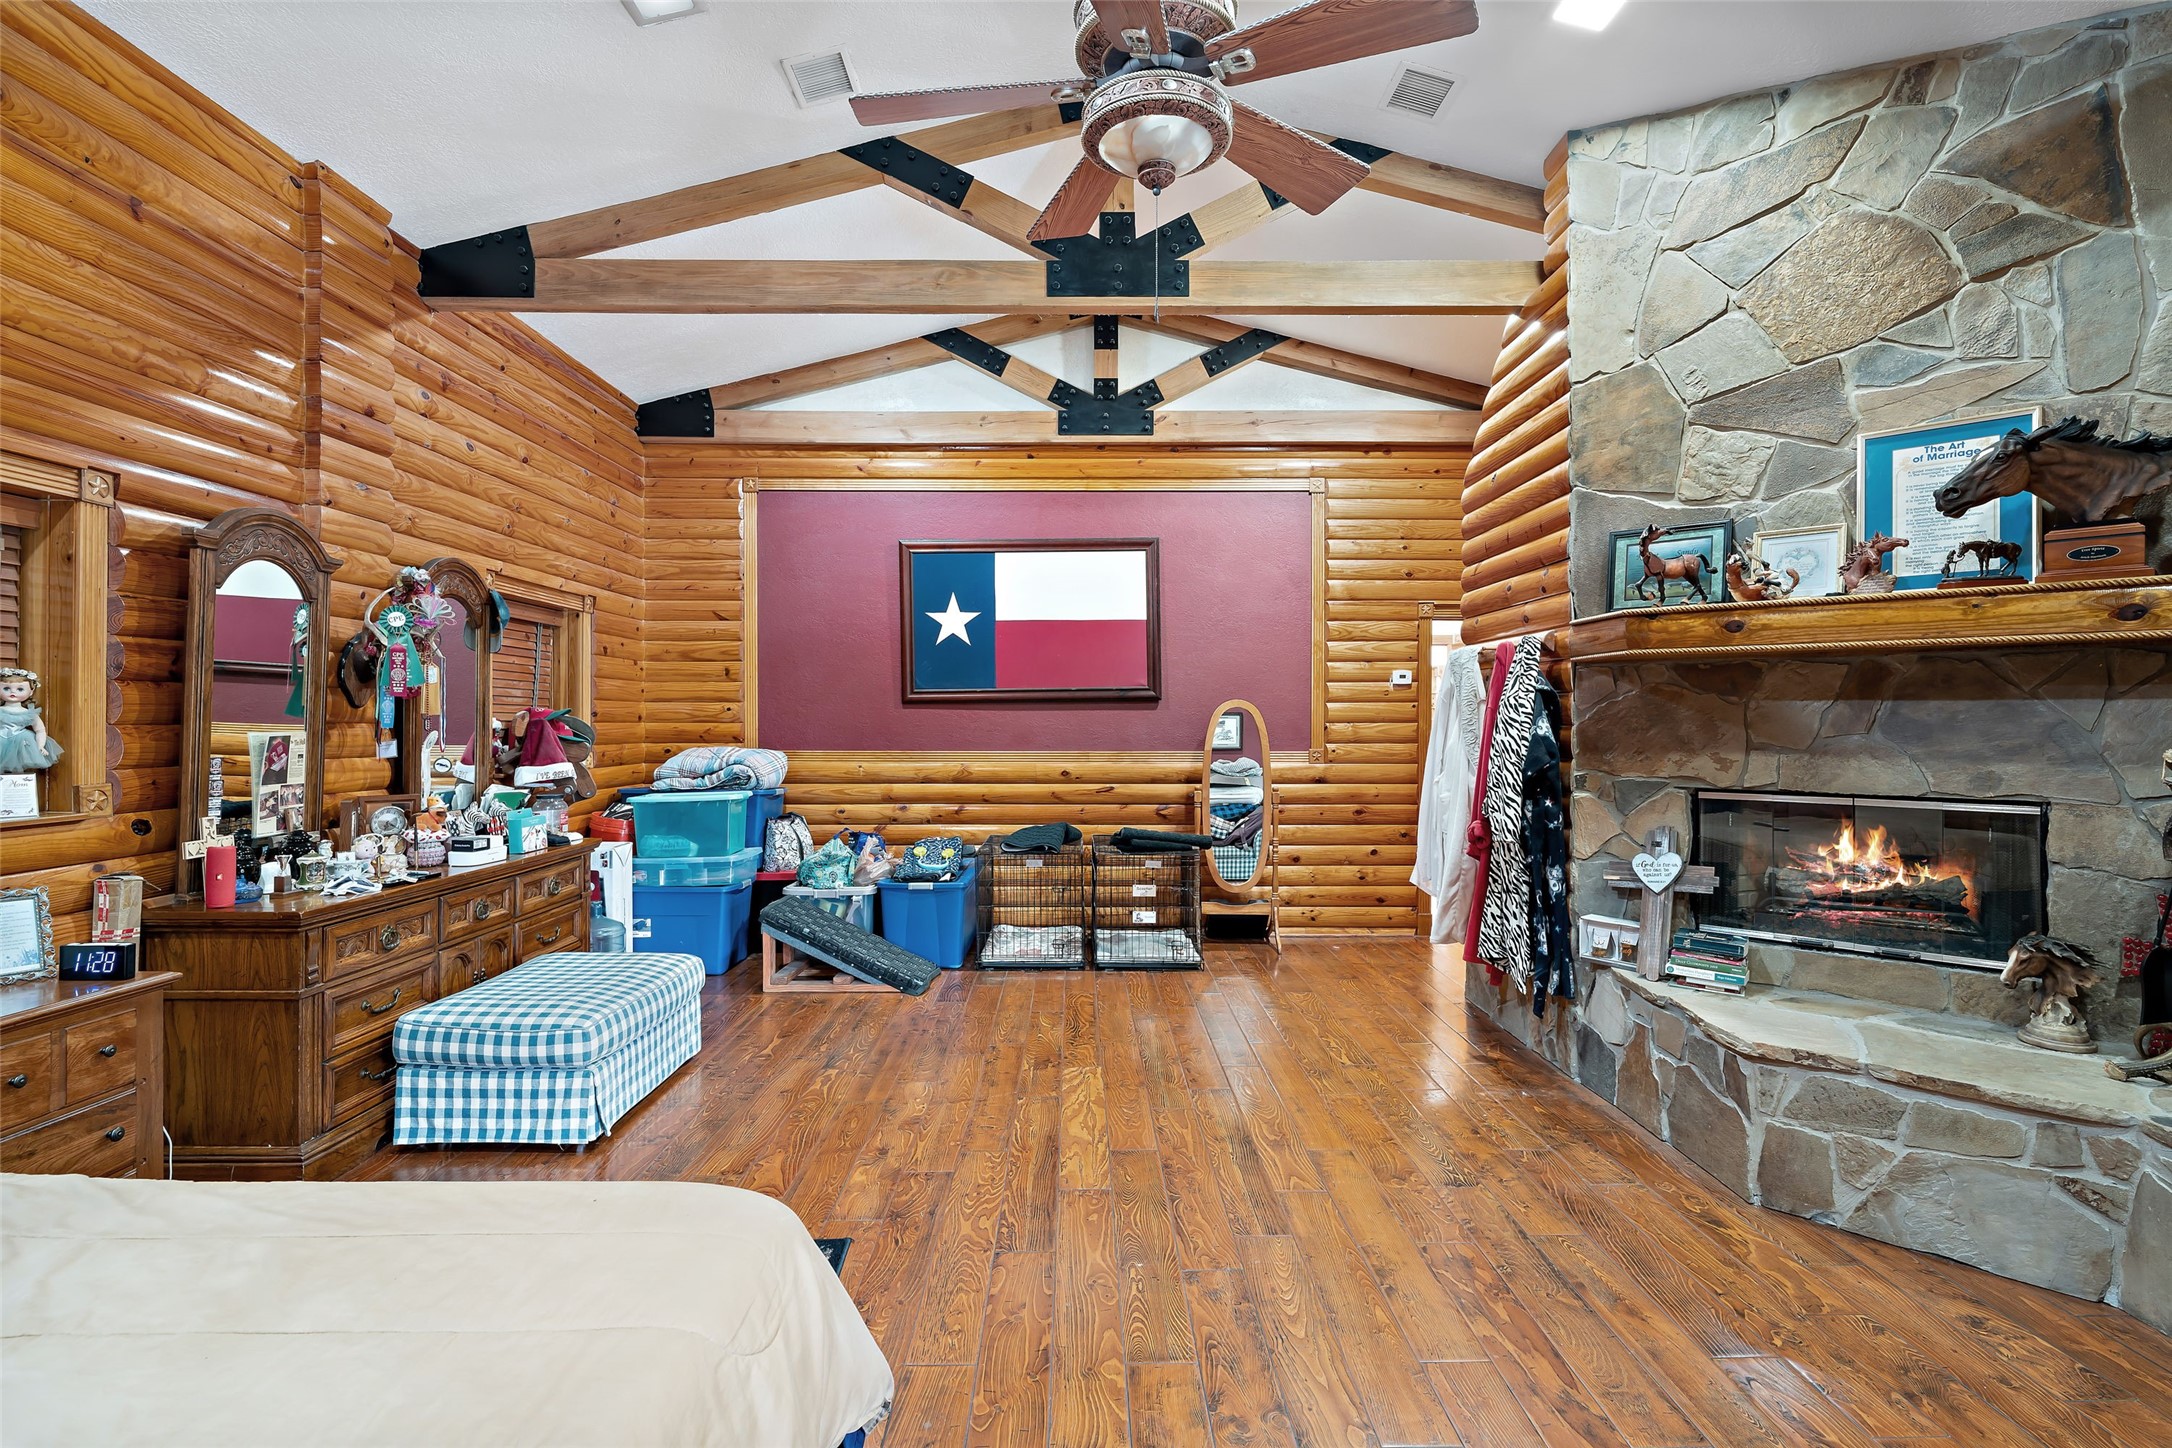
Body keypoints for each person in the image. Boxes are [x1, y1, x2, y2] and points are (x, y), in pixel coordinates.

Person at [0, 667, 62, 773]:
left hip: (21, 740)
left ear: (31, 692)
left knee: (17, 768)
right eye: (6, 688)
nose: (12, 692)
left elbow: (40, 730)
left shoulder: (29, 713)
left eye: (20, 689)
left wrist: (40, 746)